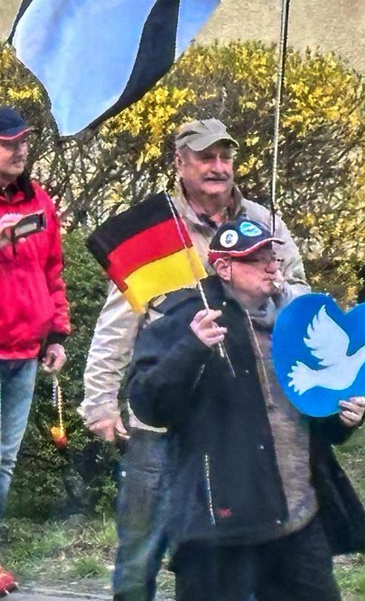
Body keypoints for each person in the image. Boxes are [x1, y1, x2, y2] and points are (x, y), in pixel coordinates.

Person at [81, 118, 308, 601]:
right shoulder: (155, 234)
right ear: (180, 163)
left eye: (225, 157)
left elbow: (301, 301)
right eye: (205, 157)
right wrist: (99, 401)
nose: (218, 167)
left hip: (235, 425)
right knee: (140, 548)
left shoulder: (267, 225)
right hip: (162, 422)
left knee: (225, 554)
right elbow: (118, 322)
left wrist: (273, 285)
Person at [126, 218, 365, 601]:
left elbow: (313, 412)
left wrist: (345, 417)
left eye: (271, 256)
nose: (271, 266)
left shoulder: (294, 318)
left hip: (299, 517)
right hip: (221, 525)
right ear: (223, 267)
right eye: (254, 259)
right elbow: (149, 404)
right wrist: (192, 348)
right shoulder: (185, 317)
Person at [0, 107, 69, 595]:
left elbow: (52, 272)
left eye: (24, 141)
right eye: (10, 143)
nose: (21, 149)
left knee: (3, 461)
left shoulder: (40, 200)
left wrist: (57, 335)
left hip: (24, 352)